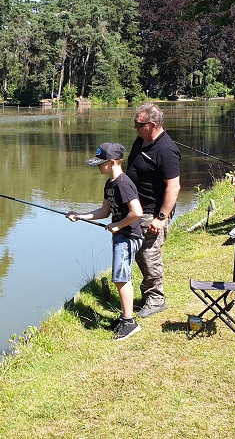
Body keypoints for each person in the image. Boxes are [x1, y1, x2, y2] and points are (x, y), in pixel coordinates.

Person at [66, 142, 144, 341]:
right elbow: (105, 211)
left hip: (128, 237)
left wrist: (118, 225)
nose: (98, 166)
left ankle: (129, 322)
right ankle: (125, 317)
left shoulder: (123, 184)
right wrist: (80, 215)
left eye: (101, 163)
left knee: (120, 277)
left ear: (112, 162)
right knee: (120, 276)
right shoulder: (110, 184)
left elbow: (137, 212)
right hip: (120, 236)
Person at [125, 103, 181, 319]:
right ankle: (148, 294)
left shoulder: (167, 150)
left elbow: (173, 187)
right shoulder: (142, 140)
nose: (135, 127)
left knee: (149, 254)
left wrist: (160, 218)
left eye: (138, 124)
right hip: (138, 208)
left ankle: (156, 299)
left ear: (153, 125)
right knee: (140, 253)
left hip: (154, 212)